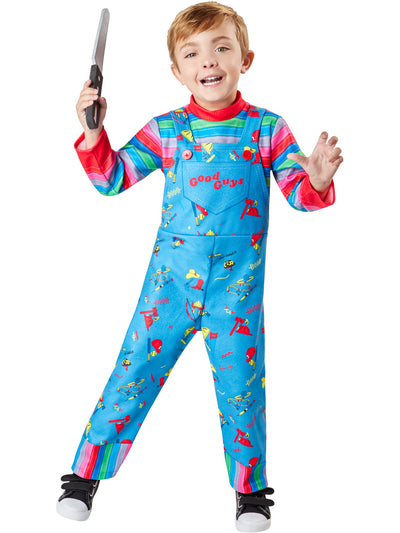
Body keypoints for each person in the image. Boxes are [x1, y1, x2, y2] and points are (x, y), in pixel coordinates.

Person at [56, 2, 343, 531]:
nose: (207, 61)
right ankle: (84, 475)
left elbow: (300, 195)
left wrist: (319, 179)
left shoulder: (268, 128)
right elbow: (112, 179)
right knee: (132, 372)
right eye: (192, 53)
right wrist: (94, 133)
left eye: (221, 48)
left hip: (236, 294)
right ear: (177, 71)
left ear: (245, 59)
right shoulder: (167, 130)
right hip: (168, 290)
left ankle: (250, 492)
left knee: (243, 387)